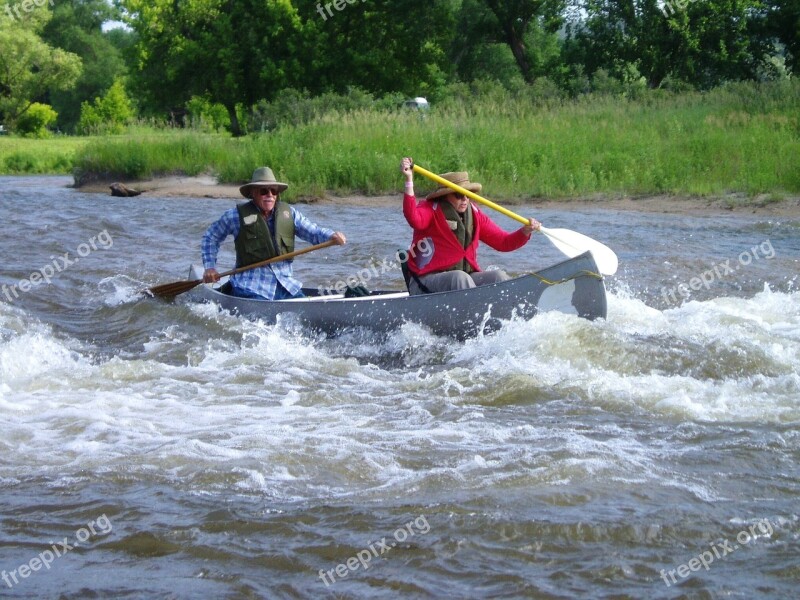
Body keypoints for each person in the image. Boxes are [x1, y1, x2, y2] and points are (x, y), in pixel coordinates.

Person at [400, 157, 540, 295]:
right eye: (459, 195)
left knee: (499, 277)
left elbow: (504, 242)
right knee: (460, 277)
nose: (465, 200)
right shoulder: (430, 209)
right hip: (424, 281)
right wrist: (409, 180)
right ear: (445, 196)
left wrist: (525, 231)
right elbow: (413, 218)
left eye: (468, 194)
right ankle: (477, 311)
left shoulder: (475, 214)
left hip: (464, 281)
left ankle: (512, 311)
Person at [202, 166, 346, 300]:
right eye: (264, 191)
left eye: (274, 191)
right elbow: (211, 237)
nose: (269, 195)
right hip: (250, 287)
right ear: (253, 193)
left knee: (303, 303)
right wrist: (210, 267)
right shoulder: (235, 217)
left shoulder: (290, 214)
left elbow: (314, 232)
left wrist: (331, 236)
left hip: (285, 285)